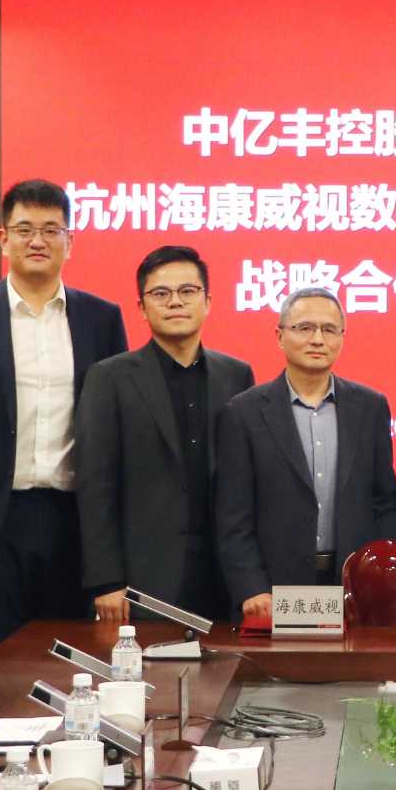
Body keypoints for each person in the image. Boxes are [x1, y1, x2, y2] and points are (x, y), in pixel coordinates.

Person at [0, 180, 128, 664]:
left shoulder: (101, 318)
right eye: (25, 229)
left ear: (70, 241)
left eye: (51, 230)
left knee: (66, 665)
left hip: (71, 520)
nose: (38, 241)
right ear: (3, 238)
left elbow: (112, 423)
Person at [78, 246, 254, 622]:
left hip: (223, 574)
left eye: (188, 291)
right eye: (161, 293)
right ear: (142, 307)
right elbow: (95, 485)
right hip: (143, 575)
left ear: (208, 302)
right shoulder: (110, 377)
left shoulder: (236, 375)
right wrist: (106, 579)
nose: (175, 302)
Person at [216, 288, 396, 618]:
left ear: (342, 338)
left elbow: (383, 502)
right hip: (273, 591)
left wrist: (388, 577)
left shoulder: (370, 407)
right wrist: (250, 587)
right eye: (304, 328)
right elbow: (233, 515)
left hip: (355, 587)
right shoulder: (243, 413)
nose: (317, 339)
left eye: (329, 329)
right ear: (280, 336)